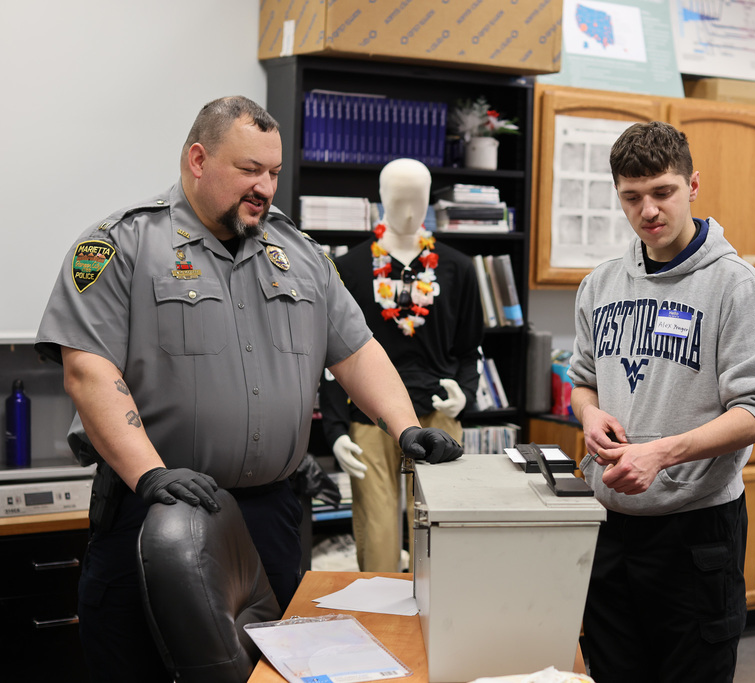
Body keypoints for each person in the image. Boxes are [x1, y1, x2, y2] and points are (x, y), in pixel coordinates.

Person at [34, 96, 462, 682]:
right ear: (198, 159)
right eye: (248, 170)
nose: (264, 186)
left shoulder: (303, 255)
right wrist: (151, 474)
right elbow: (87, 369)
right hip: (154, 511)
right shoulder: (122, 245)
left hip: (268, 520)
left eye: (274, 172)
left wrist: (406, 426)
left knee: (273, 675)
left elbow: (357, 351)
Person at [568, 121, 755, 682]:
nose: (648, 211)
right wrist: (589, 413)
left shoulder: (736, 285)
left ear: (692, 185)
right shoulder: (601, 284)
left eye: (662, 192)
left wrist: (661, 454)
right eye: (632, 197)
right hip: (611, 529)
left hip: (697, 536)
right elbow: (583, 380)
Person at [320, 157, 483, 572]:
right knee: (378, 538)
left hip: (438, 418)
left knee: (438, 533)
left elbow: (469, 349)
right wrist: (336, 431)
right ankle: (379, 624)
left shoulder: (459, 269)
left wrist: (463, 395)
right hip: (368, 420)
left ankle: (438, 624)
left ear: (430, 200)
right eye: (398, 198)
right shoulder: (350, 268)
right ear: (380, 199)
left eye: (418, 199)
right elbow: (333, 355)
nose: (409, 210)